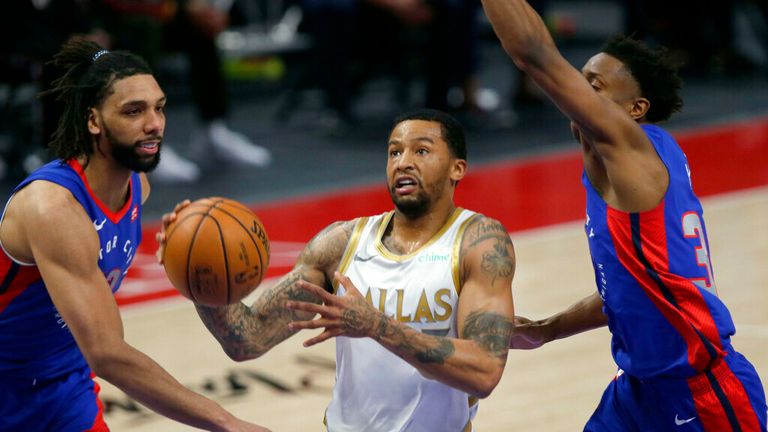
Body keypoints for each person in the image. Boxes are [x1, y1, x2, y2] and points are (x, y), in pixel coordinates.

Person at [480, 1, 767, 431]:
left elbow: (533, 53)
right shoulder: (621, 168)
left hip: (702, 396)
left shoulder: (632, 151)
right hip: (636, 391)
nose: (576, 94)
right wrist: (546, 330)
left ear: (636, 110)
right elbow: (631, 287)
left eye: (593, 86)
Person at [157, 109, 516, 430]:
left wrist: (377, 326)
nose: (403, 162)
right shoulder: (342, 244)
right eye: (394, 152)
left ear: (458, 168)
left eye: (421, 151)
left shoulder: (479, 243)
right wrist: (199, 277)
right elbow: (247, 338)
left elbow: (484, 371)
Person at [0, 37, 269, 431]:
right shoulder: (53, 209)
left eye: (159, 108)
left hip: (64, 385)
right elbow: (107, 353)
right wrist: (226, 422)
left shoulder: (138, 185)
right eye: (133, 111)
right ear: (93, 120)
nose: (154, 124)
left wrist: (187, 258)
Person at [93, 0, 272, 183]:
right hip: (110, 15)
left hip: (158, 9)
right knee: (145, 29)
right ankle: (145, 146)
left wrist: (194, 7)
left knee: (201, 27)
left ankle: (212, 130)